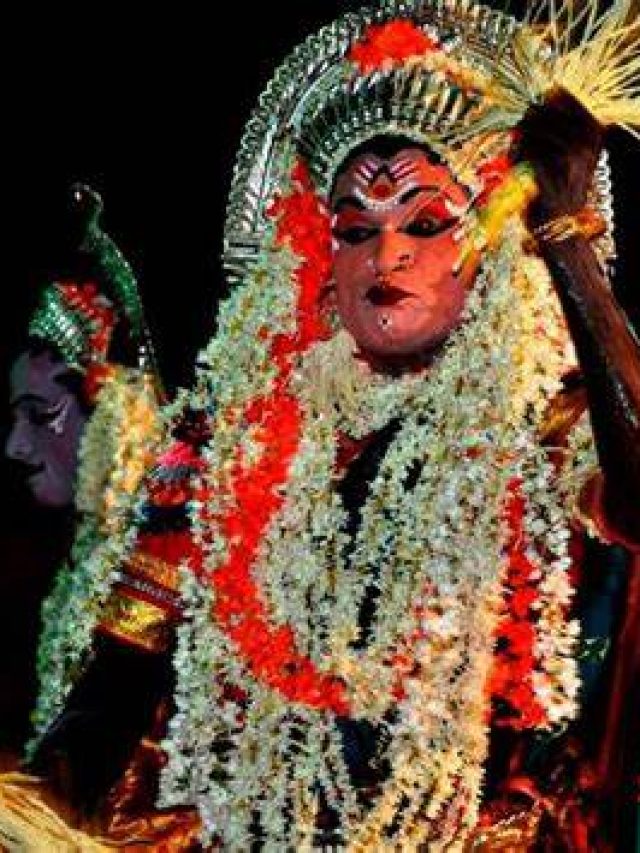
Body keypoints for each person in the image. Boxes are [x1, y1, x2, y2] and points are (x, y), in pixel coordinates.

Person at [2, 1, 638, 849]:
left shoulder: (546, 425)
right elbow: (112, 693)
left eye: (425, 223)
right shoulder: (224, 442)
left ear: (490, 249)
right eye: (355, 229)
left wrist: (563, 239)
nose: (387, 254)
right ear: (318, 256)